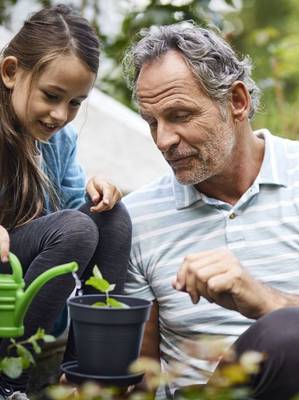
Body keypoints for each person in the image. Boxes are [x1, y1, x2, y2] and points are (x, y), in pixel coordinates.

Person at [122, 22, 299, 400]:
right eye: (151, 122)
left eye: (180, 115)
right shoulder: (136, 219)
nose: (163, 140)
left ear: (236, 101)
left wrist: (269, 302)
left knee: (285, 332)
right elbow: (139, 381)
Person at [0, 4, 131, 398]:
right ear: (10, 72)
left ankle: (89, 377)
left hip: (32, 279)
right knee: (76, 227)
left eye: (75, 103)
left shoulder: (59, 141)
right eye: (52, 95)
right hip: (7, 279)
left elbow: (75, 213)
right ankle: (9, 381)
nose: (60, 114)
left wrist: (97, 191)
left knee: (110, 217)